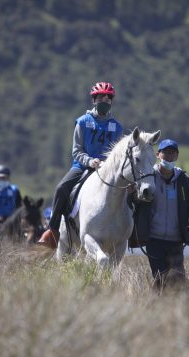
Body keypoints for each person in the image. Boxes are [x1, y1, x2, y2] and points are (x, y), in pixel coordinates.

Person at [38, 81, 124, 248]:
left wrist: (106, 164)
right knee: (61, 188)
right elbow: (76, 151)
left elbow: (117, 154)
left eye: (108, 98)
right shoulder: (83, 122)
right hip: (82, 166)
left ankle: (132, 233)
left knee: (131, 191)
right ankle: (52, 231)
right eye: (101, 98)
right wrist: (90, 161)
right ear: (94, 100)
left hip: (107, 169)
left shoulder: (117, 127)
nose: (104, 101)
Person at [132, 139, 189, 290]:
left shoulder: (184, 181)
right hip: (154, 240)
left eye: (173, 153)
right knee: (160, 278)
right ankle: (157, 308)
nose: (169, 157)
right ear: (158, 155)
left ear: (177, 156)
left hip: (176, 241)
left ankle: (173, 309)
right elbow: (136, 200)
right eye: (166, 153)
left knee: (178, 279)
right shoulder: (148, 177)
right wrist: (131, 194)